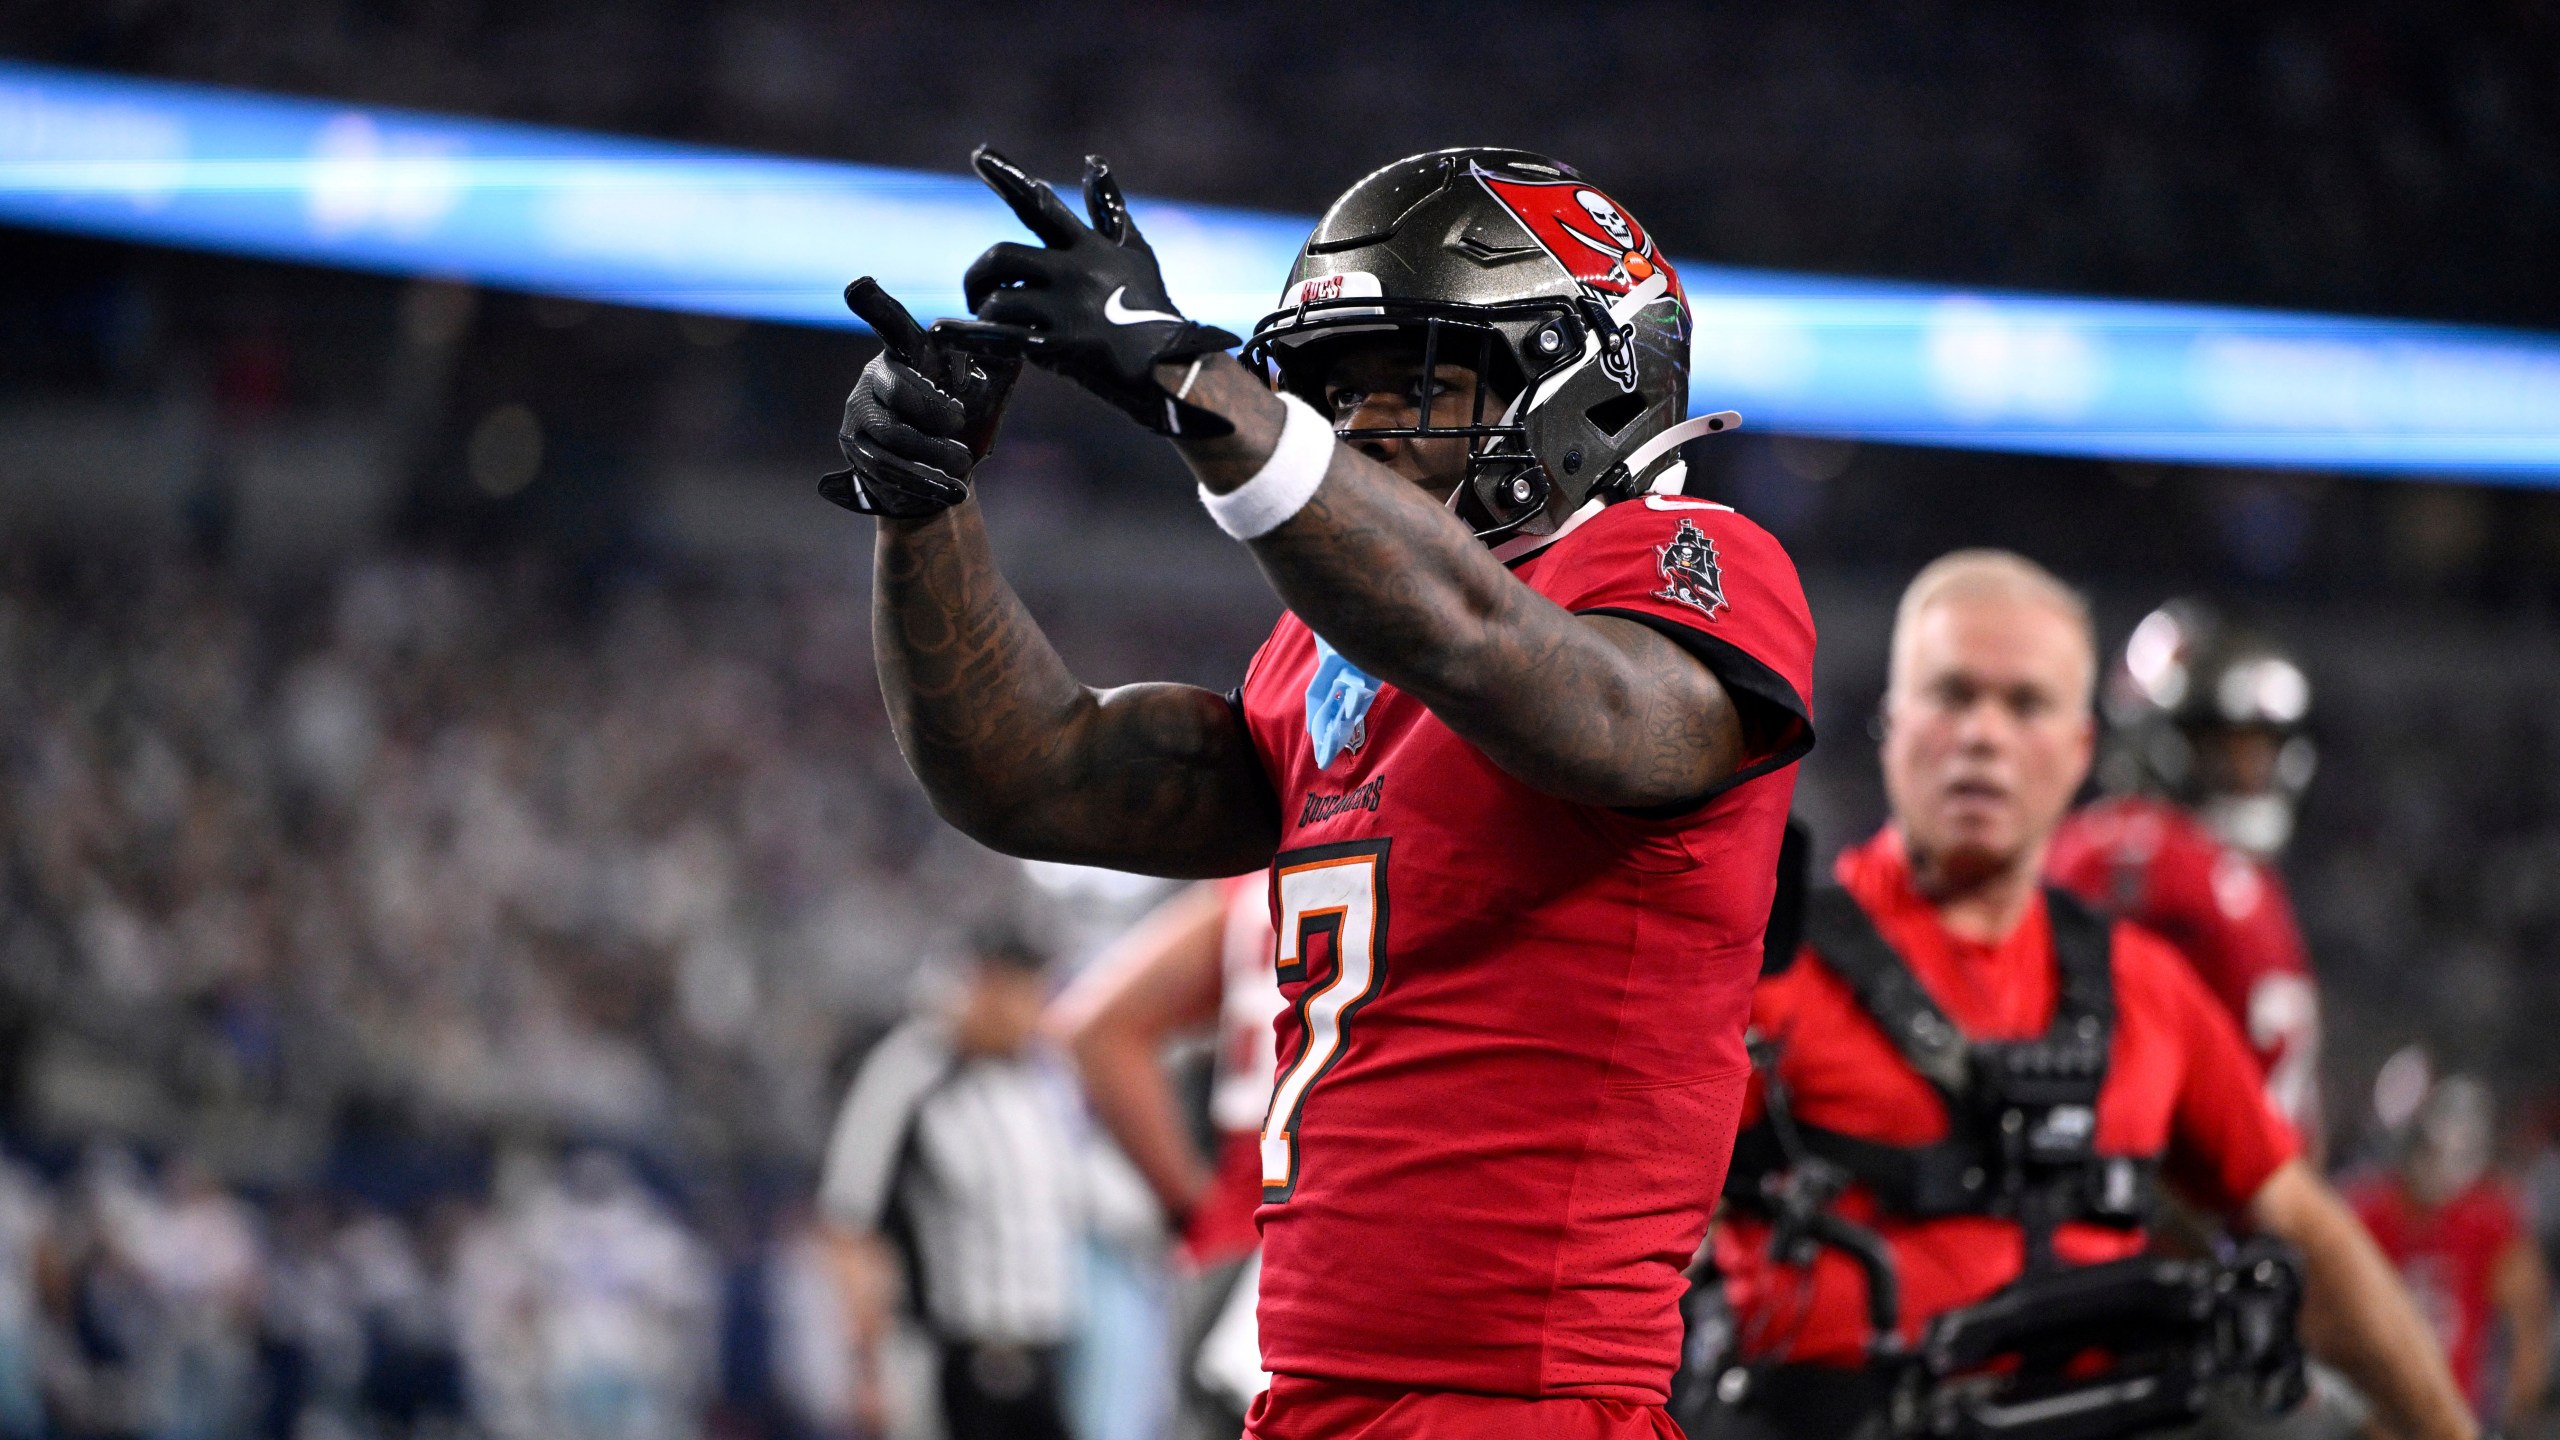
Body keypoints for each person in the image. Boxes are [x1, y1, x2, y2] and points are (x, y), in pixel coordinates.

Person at [829, 145, 1815, 1437]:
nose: (1359, 427)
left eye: (1410, 380)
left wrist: (1191, 378)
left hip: (1524, 1401)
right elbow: (1036, 774)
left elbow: (1518, 666)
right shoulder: (1327, 654)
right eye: (1333, 391)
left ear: (1581, 382)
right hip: (1306, 1391)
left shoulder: (1688, 566)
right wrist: (926, 510)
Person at [1710, 550, 2474, 1440]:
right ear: (1891, 720)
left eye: (2026, 703)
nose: (1983, 735)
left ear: (2080, 750)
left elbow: (2304, 1224)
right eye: (1952, 695)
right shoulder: (1760, 968)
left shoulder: (2147, 983)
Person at [2047, 600, 2325, 1146]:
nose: (2251, 773)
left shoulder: (2232, 868)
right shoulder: (2142, 854)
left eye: (2262, 749)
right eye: (2223, 747)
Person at [818, 934, 1086, 1440]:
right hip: (950, 1356)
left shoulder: (1043, 1081)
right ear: (983, 986)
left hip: (1047, 1352)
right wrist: (868, 1367)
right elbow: (849, 1220)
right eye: (1023, 993)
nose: (1035, 1011)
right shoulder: (910, 1070)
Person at [1045, 872, 1281, 1438]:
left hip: (1236, 1253)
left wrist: (1203, 1208)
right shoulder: (1422, 844)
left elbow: (1097, 1030)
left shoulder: (1257, 886)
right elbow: (1095, 1032)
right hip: (1338, 1257)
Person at [2345, 1075, 2551, 1430]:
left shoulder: (2491, 1221)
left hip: (2452, 1414)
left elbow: (2528, 1326)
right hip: (2377, 1412)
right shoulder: (2371, 1210)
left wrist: (2513, 1416)